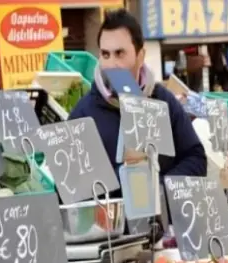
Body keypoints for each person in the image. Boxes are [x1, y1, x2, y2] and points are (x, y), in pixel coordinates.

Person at [68, 9, 206, 179]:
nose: (111, 64)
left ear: (140, 56)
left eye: (119, 53)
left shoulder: (164, 101)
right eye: (105, 54)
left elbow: (196, 158)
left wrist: (161, 189)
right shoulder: (83, 114)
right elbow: (69, 185)